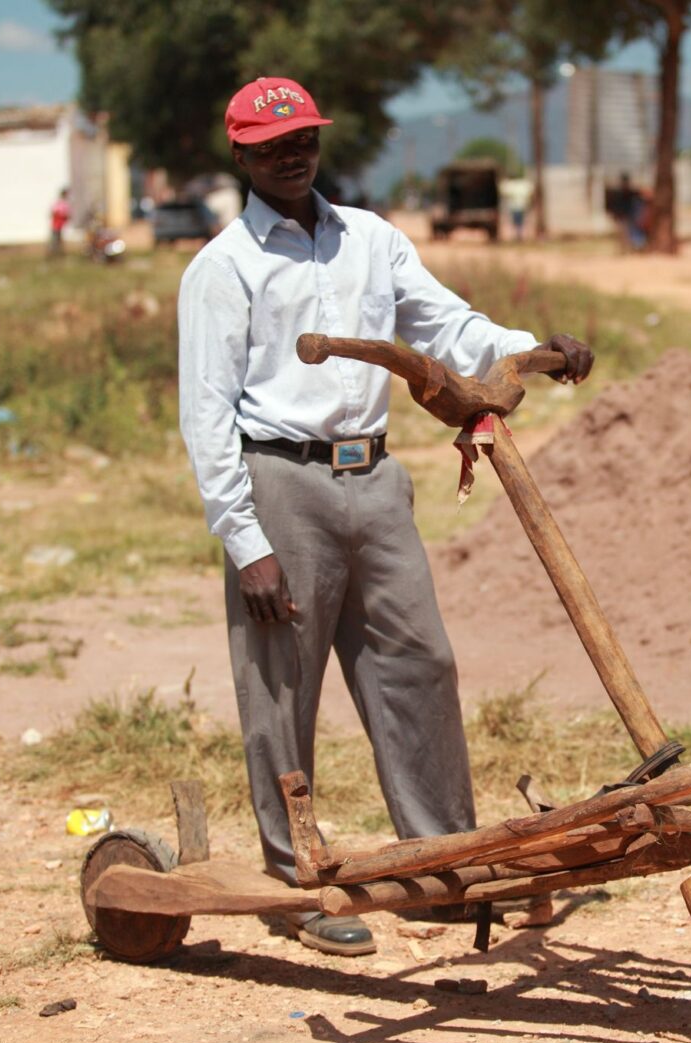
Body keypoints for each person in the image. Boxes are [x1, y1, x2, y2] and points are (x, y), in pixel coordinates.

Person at [177, 76, 595, 957]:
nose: (292, 155)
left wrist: (531, 353)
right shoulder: (223, 266)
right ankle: (294, 882)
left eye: (304, 140)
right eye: (272, 145)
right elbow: (207, 415)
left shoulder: (370, 238)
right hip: (280, 483)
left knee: (420, 661)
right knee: (282, 685)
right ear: (243, 155)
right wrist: (244, 538)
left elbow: (447, 324)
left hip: (375, 479)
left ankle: (441, 866)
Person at [499, 174, 533, 241]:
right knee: (519, 222)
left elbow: (503, 191)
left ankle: (518, 235)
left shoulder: (512, 185)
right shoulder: (523, 185)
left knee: (517, 222)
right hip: (520, 206)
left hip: (517, 207)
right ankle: (518, 235)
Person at [49, 188, 71, 258]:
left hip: (60, 225)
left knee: (58, 240)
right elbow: (54, 213)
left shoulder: (64, 203)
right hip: (56, 225)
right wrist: (63, 216)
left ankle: (58, 253)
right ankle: (53, 254)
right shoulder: (59, 203)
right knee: (55, 240)